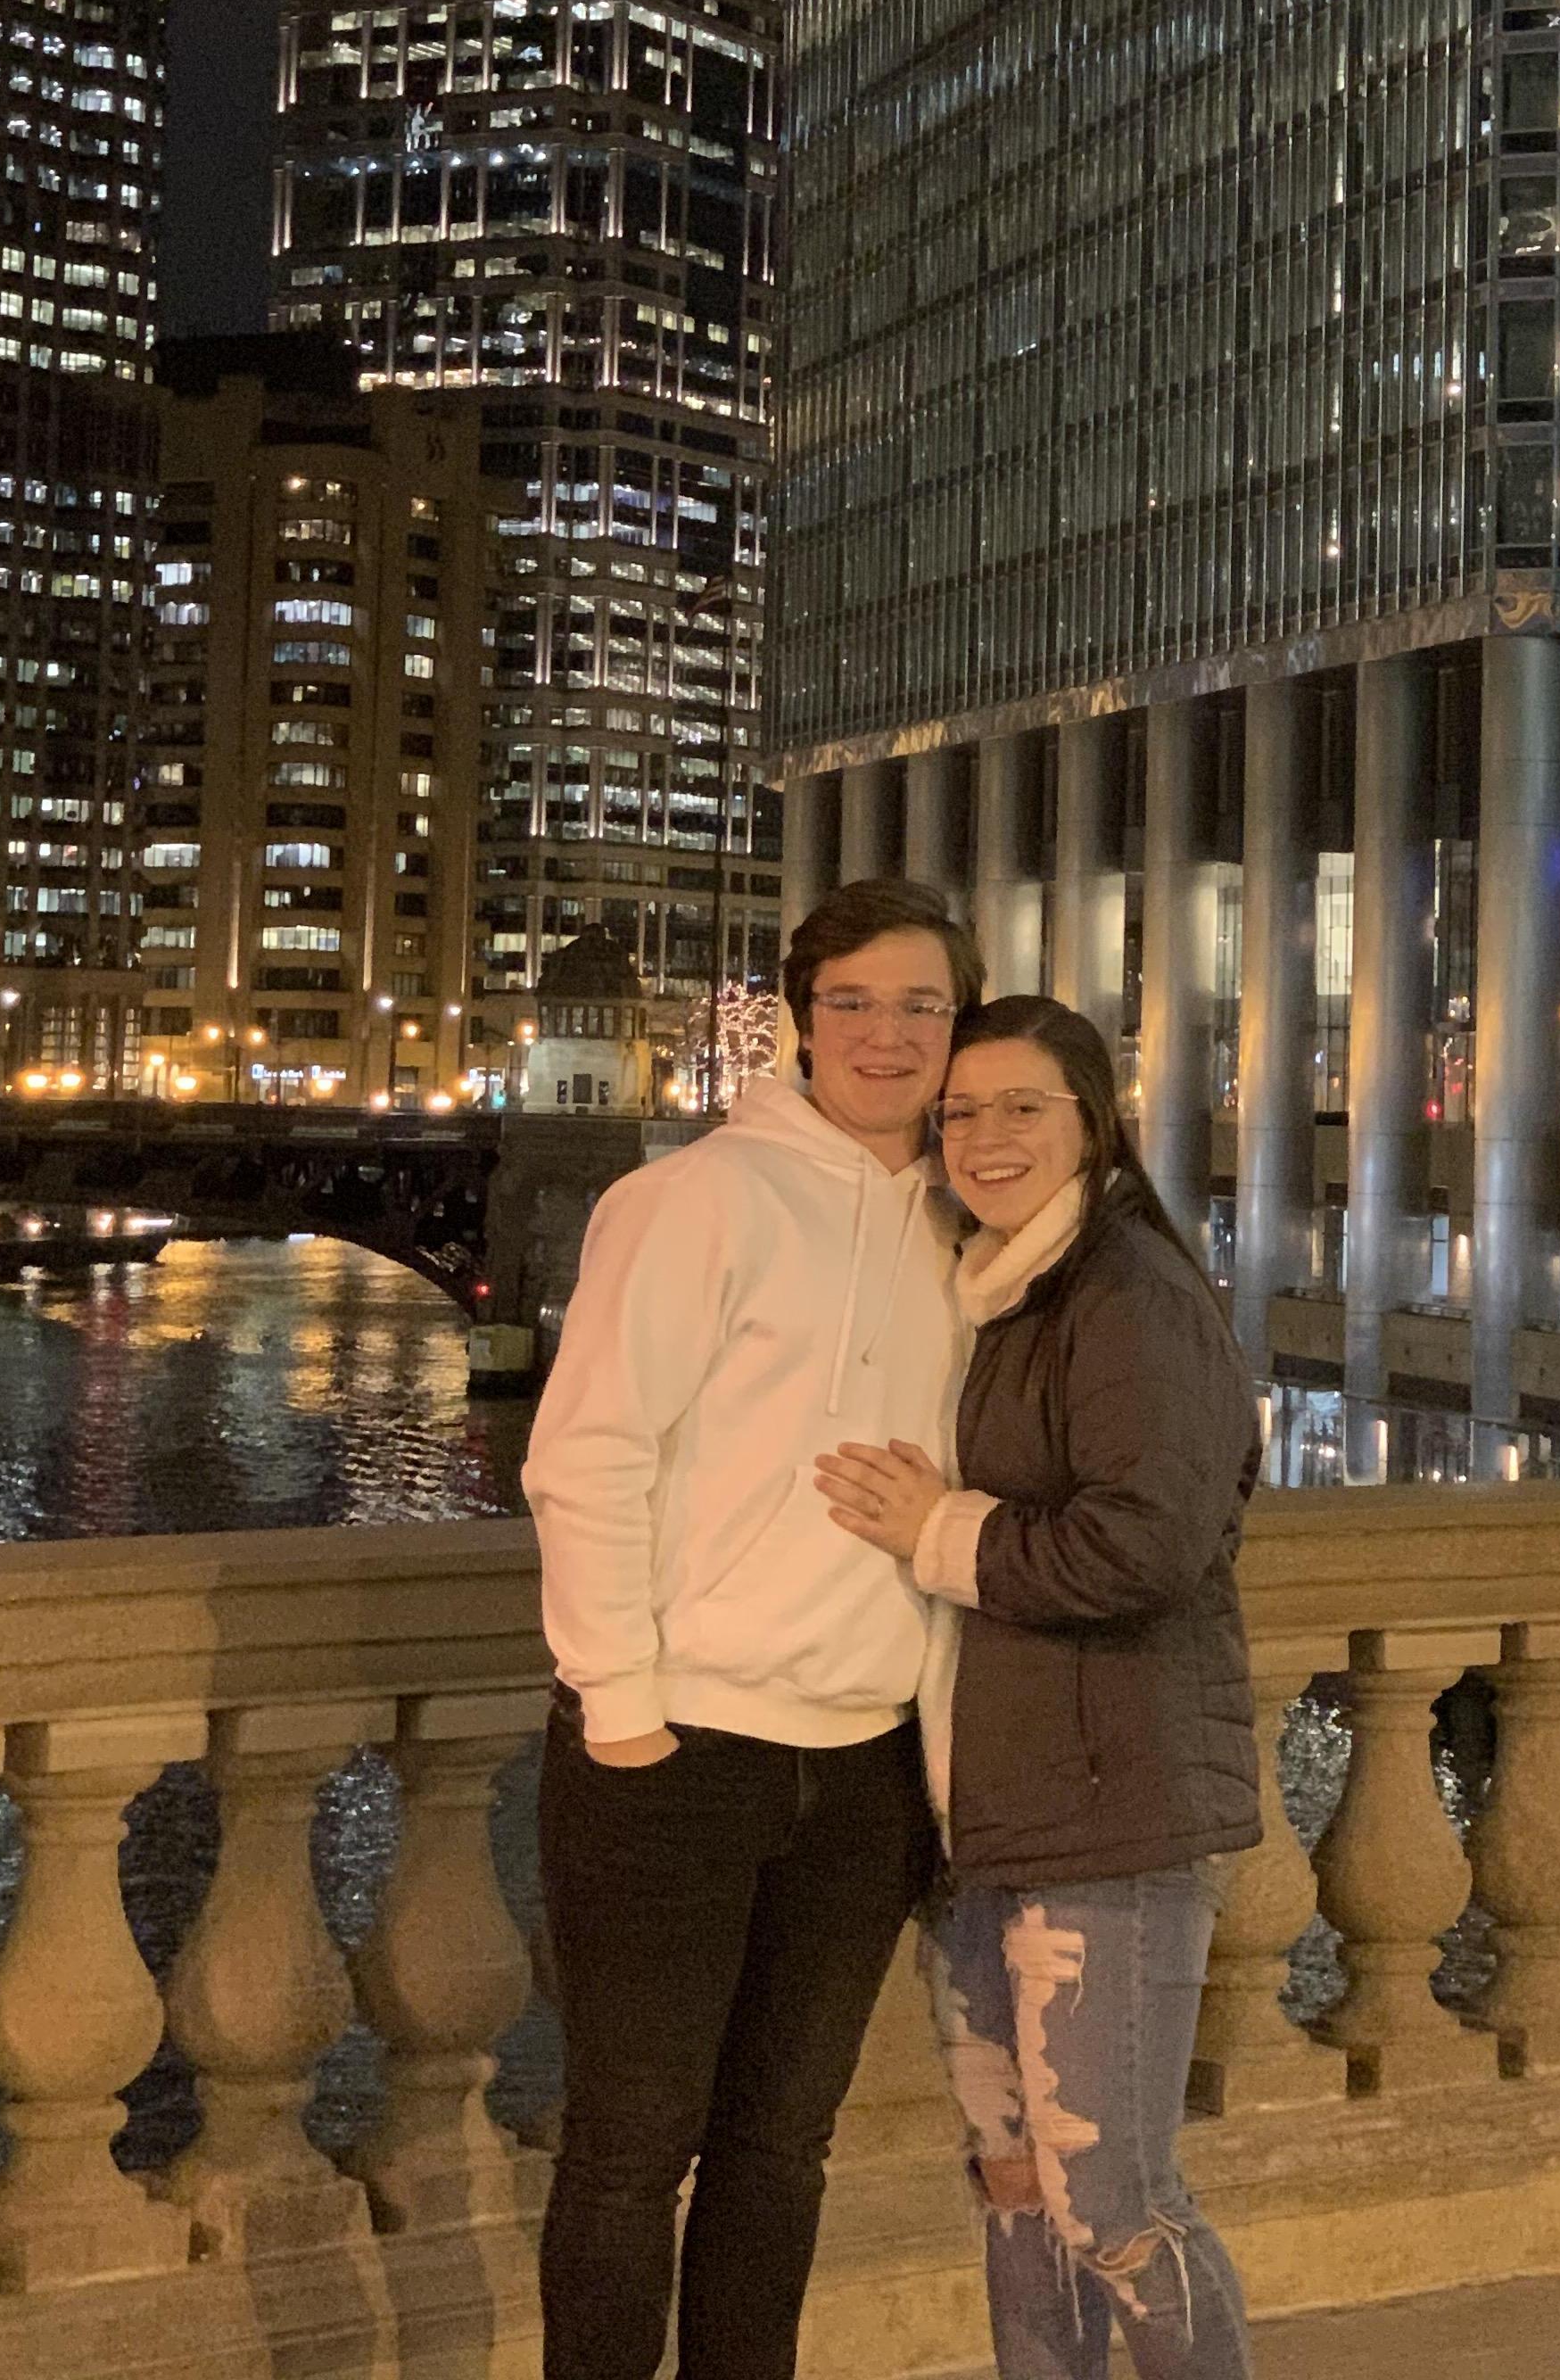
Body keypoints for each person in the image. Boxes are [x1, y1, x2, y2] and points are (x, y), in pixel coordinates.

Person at [521, 878, 981, 2380]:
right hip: (679, 1750)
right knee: (628, 2151)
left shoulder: (971, 1228)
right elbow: (587, 1455)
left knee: (783, 2147)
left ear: (959, 1027)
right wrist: (621, 1709)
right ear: (800, 1020)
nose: (887, 1035)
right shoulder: (694, 1200)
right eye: (853, 1002)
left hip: (869, 1767)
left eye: (922, 1006)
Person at [816, 993, 1264, 2380]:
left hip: (1108, 1816)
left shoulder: (1125, 1293)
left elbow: (1150, 1543)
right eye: (961, 1111)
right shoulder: (1002, 1290)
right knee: (1015, 2185)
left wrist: (938, 1529)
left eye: (1024, 1107)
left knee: (1112, 2205)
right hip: (996, 1816)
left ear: (1093, 1124)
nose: (985, 1135)